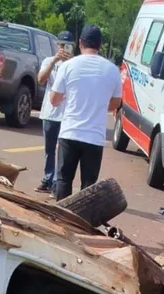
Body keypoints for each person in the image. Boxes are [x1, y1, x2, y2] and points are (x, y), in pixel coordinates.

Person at [49, 24, 121, 200]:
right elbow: (115, 104)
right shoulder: (112, 70)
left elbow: (54, 99)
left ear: (80, 43)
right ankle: (81, 224)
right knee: (88, 188)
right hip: (94, 138)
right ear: (100, 45)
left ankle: (60, 222)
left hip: (69, 134)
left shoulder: (69, 66)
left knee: (63, 181)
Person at [34, 31, 74, 193]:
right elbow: (41, 80)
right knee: (49, 150)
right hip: (50, 113)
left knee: (63, 152)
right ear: (57, 45)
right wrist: (54, 62)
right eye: (61, 45)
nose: (63, 48)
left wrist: (70, 62)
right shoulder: (48, 61)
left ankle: (58, 184)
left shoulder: (75, 64)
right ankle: (48, 179)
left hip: (67, 115)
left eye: (67, 45)